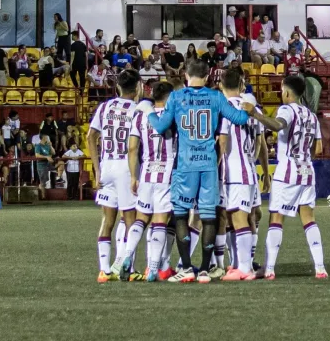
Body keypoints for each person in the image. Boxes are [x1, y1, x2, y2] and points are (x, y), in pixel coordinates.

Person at [137, 60, 250, 284]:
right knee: (208, 216)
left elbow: (160, 128)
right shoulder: (216, 97)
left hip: (185, 165)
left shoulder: (177, 97)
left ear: (186, 75)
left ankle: (187, 267)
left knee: (180, 214)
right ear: (208, 77)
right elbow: (240, 119)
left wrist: (149, 110)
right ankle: (206, 270)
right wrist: (248, 108)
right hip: (208, 164)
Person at [239, 75, 326, 280]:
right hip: (307, 171)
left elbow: (277, 125)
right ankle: (320, 268)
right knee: (309, 220)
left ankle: (268, 269)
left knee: (276, 219)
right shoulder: (311, 115)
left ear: (286, 92)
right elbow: (319, 148)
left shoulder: (286, 109)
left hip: (287, 171)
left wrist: (255, 114)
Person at [115, 82, 177, 282]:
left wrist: (134, 176)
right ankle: (152, 268)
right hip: (166, 173)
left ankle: (127, 256)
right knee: (160, 221)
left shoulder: (141, 116)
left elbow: (132, 148)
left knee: (141, 219)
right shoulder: (173, 116)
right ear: (169, 97)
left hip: (147, 172)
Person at [88, 70, 143, 283]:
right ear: (138, 86)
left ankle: (104, 270)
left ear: (117, 87)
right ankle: (128, 269)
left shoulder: (105, 107)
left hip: (106, 166)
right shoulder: (138, 110)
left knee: (107, 220)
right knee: (131, 221)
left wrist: (97, 169)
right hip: (125, 166)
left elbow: (90, 136)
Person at [213, 69, 263, 281]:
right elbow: (259, 141)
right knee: (243, 216)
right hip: (249, 170)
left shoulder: (224, 107)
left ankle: (244, 268)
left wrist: (214, 169)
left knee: (238, 217)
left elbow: (222, 142)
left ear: (222, 85)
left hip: (235, 172)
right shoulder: (252, 109)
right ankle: (241, 265)